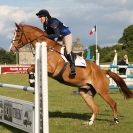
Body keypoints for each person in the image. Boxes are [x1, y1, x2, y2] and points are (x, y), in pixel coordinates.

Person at [36, 9, 76, 76]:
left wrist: (45, 35)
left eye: (41, 17)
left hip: (66, 35)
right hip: (60, 37)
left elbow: (56, 35)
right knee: (53, 49)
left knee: (68, 50)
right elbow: (50, 35)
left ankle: (73, 67)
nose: (40, 19)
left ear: (46, 17)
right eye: (39, 17)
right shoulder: (45, 24)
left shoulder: (53, 21)